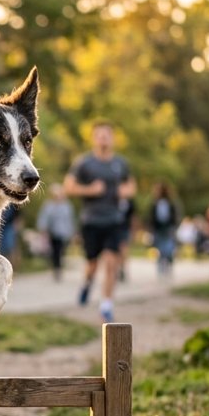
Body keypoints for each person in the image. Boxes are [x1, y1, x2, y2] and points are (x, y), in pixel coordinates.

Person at [63, 120, 136, 322]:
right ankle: (87, 284)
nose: (103, 138)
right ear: (94, 138)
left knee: (112, 263)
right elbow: (68, 187)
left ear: (112, 138)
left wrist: (125, 192)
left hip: (114, 220)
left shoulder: (120, 163)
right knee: (92, 264)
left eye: (107, 135)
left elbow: (131, 187)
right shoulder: (84, 163)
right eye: (100, 135)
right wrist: (90, 190)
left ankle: (106, 305)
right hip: (91, 221)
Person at [36, 183, 75, 282]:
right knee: (55, 251)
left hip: (64, 233)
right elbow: (44, 218)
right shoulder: (49, 205)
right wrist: (43, 229)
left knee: (61, 251)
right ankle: (57, 268)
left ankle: (58, 267)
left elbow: (70, 220)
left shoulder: (67, 206)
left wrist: (72, 232)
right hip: (53, 233)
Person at [148, 182, 178, 278]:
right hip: (158, 228)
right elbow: (152, 217)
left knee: (168, 248)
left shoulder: (171, 203)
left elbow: (174, 216)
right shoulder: (155, 203)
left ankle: (168, 263)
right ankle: (161, 267)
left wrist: (174, 226)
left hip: (168, 227)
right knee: (160, 248)